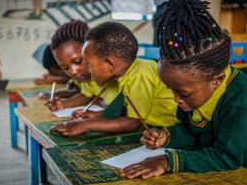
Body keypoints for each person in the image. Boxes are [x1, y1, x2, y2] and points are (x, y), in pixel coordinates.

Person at [121, 0, 247, 185]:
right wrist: (167, 135)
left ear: (216, 80)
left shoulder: (242, 105)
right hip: (234, 170)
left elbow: (227, 156)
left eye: (182, 93)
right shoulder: (195, 92)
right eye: (171, 90)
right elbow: (193, 132)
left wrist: (169, 160)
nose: (176, 99)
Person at [50, 22, 178, 136]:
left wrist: (87, 124)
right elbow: (125, 109)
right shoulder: (126, 74)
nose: (88, 70)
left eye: (89, 64)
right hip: (154, 130)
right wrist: (97, 115)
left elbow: (132, 123)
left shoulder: (139, 76)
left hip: (173, 132)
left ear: (110, 65)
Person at [46, 20, 119, 114]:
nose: (73, 71)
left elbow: (123, 111)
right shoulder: (87, 76)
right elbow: (86, 95)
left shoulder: (115, 71)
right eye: (65, 67)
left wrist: (95, 115)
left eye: (77, 61)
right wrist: (63, 104)